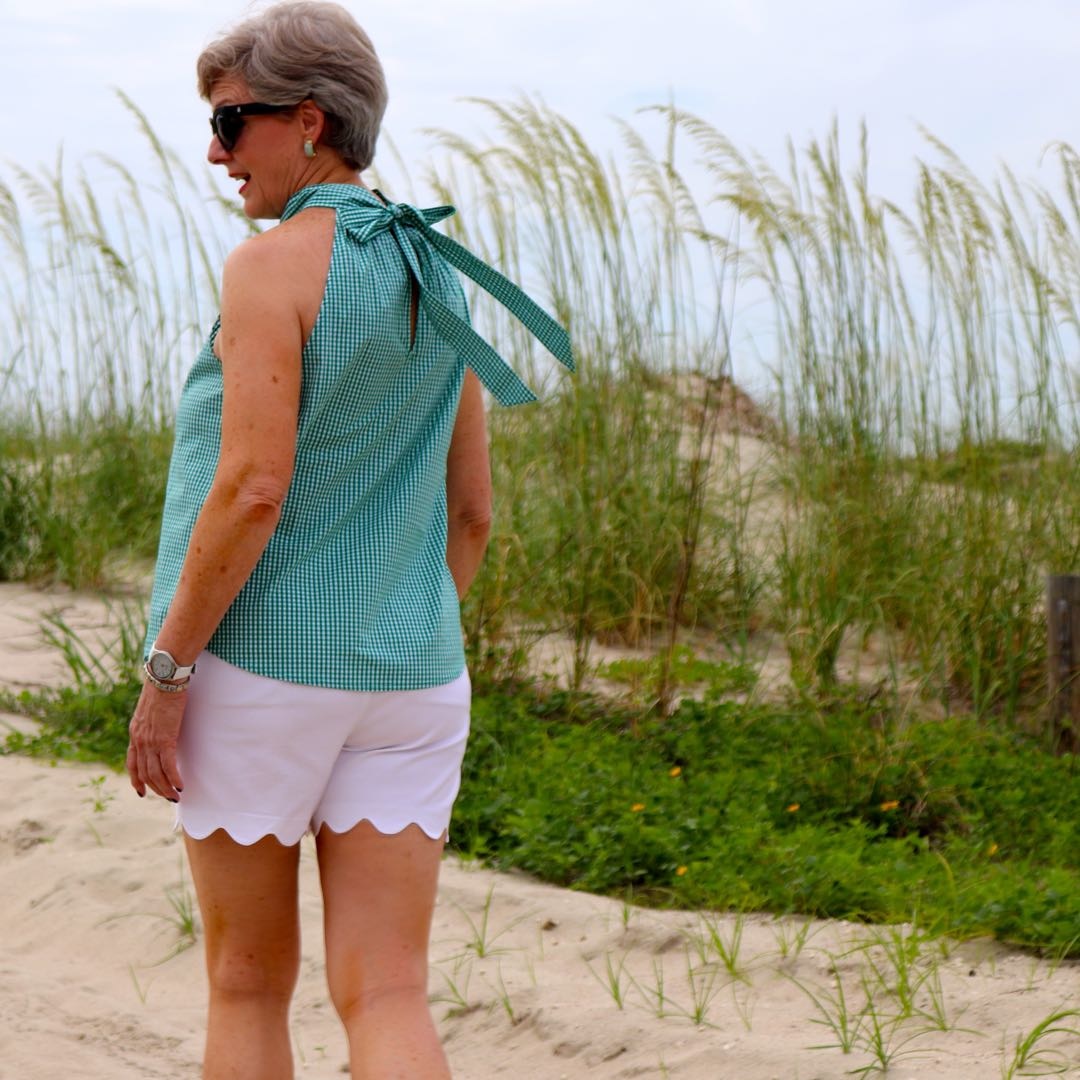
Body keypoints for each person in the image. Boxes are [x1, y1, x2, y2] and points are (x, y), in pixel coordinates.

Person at [124, 3, 572, 1077]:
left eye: (232, 125)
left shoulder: (270, 270)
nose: (215, 152)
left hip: (261, 672)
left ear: (310, 120)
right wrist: (398, 624)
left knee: (244, 985)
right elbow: (473, 513)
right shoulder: (436, 270)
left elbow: (252, 487)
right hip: (415, 681)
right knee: (389, 990)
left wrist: (169, 673)